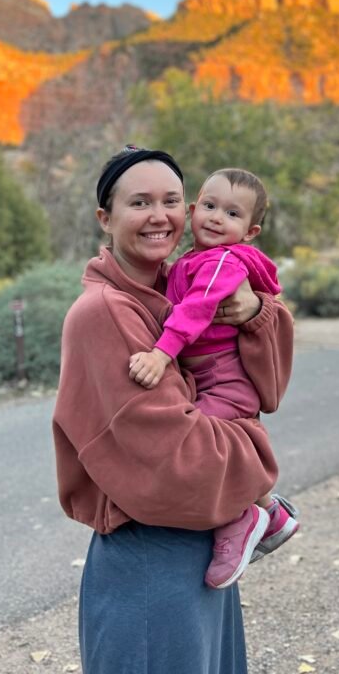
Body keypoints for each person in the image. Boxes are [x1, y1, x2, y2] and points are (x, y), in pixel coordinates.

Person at [52, 146, 294, 674]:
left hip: (205, 542)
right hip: (151, 557)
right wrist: (257, 474)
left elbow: (269, 388)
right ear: (106, 218)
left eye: (172, 200)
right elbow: (177, 459)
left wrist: (256, 311)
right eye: (139, 202)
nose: (159, 215)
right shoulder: (106, 314)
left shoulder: (185, 286)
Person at [128, 167, 299, 589]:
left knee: (198, 445)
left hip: (225, 378)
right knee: (202, 443)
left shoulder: (224, 262)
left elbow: (194, 311)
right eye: (209, 206)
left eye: (232, 213)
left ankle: (241, 520)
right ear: (192, 210)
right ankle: (272, 514)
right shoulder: (190, 260)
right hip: (208, 375)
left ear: (251, 230)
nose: (217, 218)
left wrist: (160, 354)